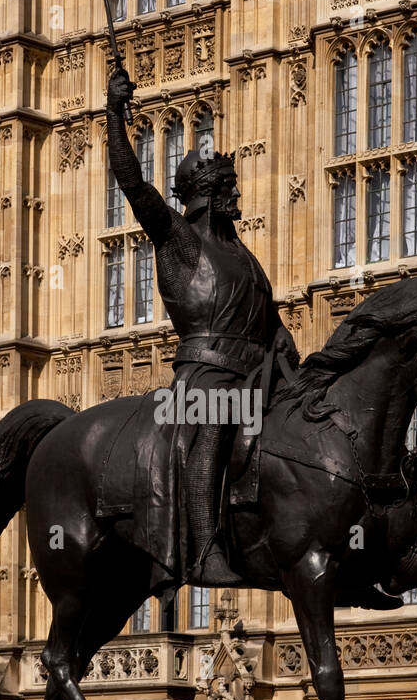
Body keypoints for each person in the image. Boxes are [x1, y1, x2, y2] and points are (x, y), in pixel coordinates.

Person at [105, 67, 298, 584]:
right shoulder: (179, 240)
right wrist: (112, 112)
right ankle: (206, 549)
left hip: (258, 373)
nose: (239, 196)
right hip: (206, 377)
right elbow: (132, 182)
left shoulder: (243, 255)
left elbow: (271, 322)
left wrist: (293, 356)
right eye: (231, 187)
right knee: (214, 423)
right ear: (210, 192)